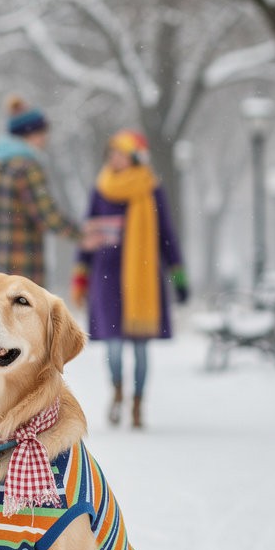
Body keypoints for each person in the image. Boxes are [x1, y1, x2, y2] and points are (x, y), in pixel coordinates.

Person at [71, 130, 187, 429]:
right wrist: (80, 276)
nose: (115, 158)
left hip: (142, 278)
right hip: (106, 278)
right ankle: (117, 392)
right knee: (112, 346)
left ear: (135, 157)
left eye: (121, 153)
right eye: (112, 153)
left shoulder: (151, 189)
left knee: (140, 347)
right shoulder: (101, 189)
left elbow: (166, 235)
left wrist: (178, 273)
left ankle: (137, 403)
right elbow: (89, 233)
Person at [0, 95, 80, 285]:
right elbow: (46, 214)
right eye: (43, 133)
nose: (45, 139)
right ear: (32, 134)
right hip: (20, 265)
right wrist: (80, 235)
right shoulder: (27, 167)